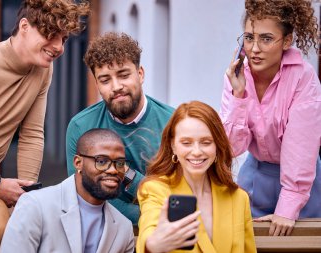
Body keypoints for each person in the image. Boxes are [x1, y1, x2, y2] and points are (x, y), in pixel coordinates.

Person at [0, 0, 89, 252]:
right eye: (50, 35)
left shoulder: (43, 70)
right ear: (24, 26)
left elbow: (31, 134)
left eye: (63, 39)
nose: (58, 47)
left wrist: (26, 196)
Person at [221, 0, 321, 237]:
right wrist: (239, 95)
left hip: (303, 182)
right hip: (255, 175)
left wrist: (288, 208)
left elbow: (301, 149)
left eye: (266, 39)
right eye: (248, 37)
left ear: (286, 41)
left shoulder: (303, 78)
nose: (254, 49)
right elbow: (232, 147)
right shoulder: (236, 75)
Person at [66, 32, 174, 225]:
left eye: (123, 75)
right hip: (103, 230)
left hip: (164, 232)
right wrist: (147, 216)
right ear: (97, 83)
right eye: (105, 80)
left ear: (140, 74)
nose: (116, 86)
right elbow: (81, 194)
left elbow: (175, 197)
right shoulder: (81, 126)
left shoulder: (173, 123)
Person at [137, 101, 256, 253]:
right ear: (173, 145)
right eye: (186, 143)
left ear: (217, 146)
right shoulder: (155, 189)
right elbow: (149, 229)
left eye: (206, 142)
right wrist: (154, 245)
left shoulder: (238, 198)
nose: (197, 151)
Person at [0, 128, 134, 253]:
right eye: (101, 161)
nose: (113, 170)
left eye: (120, 163)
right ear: (78, 163)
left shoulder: (124, 228)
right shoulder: (35, 205)